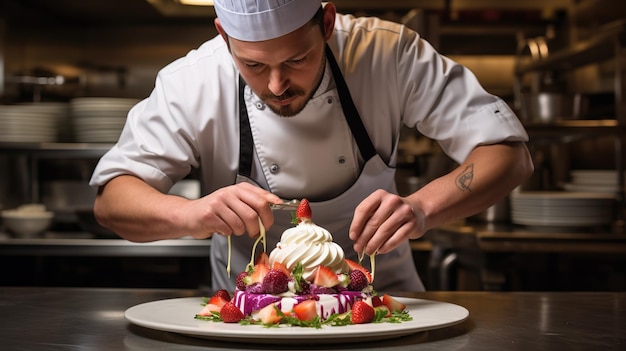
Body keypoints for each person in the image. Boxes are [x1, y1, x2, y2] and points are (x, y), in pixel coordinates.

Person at [89, 0, 533, 292]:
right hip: (247, 319)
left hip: (385, 308)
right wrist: (191, 214)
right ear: (224, 36)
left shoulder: (388, 54)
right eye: (253, 65)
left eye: (297, 59)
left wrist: (421, 208)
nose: (277, 84)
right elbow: (112, 200)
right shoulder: (192, 80)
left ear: (327, 23)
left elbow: (508, 154)